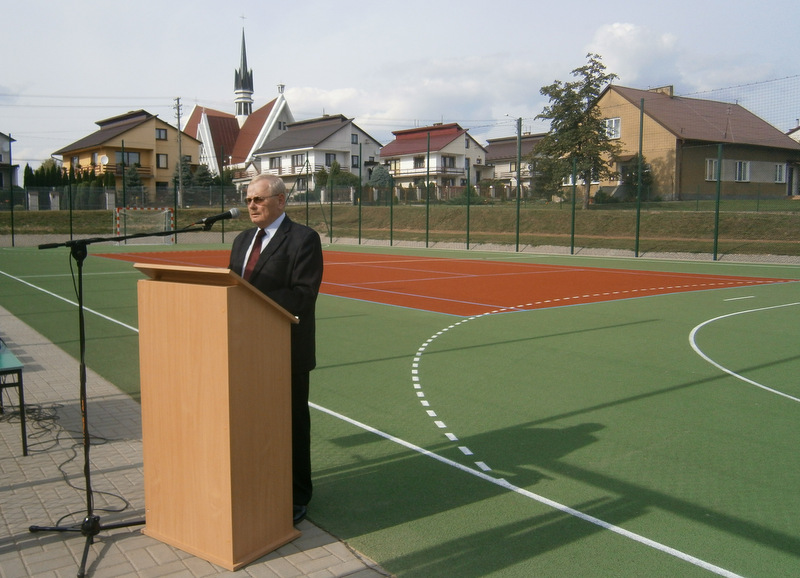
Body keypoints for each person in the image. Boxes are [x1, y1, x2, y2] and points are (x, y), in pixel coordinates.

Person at [228, 174, 323, 525]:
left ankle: (297, 496)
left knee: (292, 426)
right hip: (246, 349)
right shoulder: (241, 240)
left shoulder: (303, 239)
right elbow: (231, 286)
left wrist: (251, 299)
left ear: (280, 201)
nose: (251, 205)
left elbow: (303, 295)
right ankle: (260, 482)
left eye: (259, 199)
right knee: (253, 422)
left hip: (286, 351)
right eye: (248, 200)